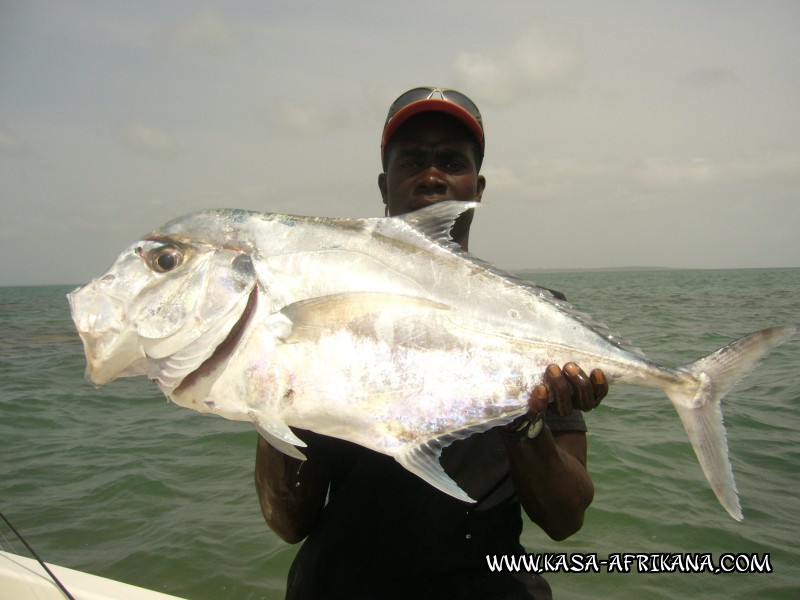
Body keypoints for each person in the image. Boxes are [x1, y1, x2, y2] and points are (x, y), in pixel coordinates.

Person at [254, 87, 608, 599]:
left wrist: (526, 420)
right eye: (413, 161)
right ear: (384, 184)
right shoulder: (327, 310)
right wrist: (271, 386)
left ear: (478, 186)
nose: (433, 175)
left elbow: (564, 519)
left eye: (451, 161)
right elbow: (288, 520)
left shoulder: (538, 317)